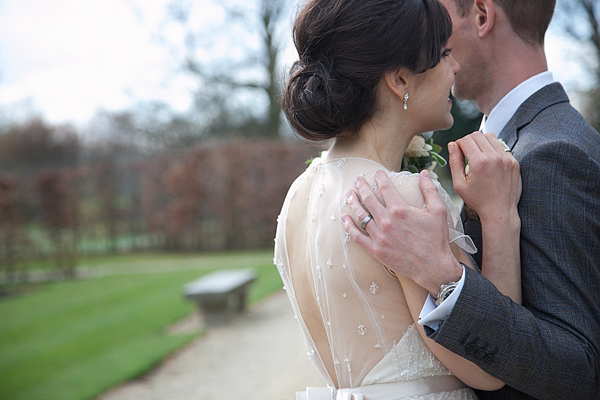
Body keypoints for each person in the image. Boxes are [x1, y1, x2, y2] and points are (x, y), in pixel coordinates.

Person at [343, 0, 600, 399]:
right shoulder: (530, 140)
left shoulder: (551, 153)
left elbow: (580, 369)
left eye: (437, 17)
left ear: (481, 15)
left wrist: (445, 280)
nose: (425, 33)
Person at [274, 0, 523, 398]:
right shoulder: (401, 198)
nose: (454, 67)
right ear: (400, 80)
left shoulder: (297, 195)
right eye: (443, 54)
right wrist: (499, 217)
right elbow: (491, 366)